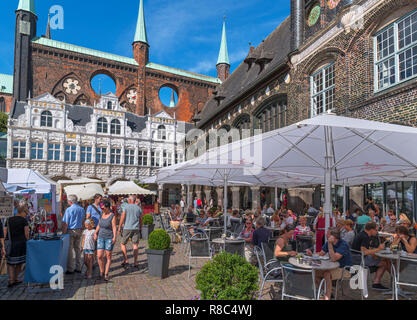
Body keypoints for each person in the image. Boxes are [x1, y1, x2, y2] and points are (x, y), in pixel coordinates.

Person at [307, 228, 352, 300]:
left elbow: (334, 258)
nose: (326, 235)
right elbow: (321, 254)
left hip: (344, 269)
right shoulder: (328, 242)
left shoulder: (343, 245)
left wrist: (330, 244)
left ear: (334, 236)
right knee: (315, 272)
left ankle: (327, 297)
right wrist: (312, 254)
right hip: (332, 267)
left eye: (328, 234)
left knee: (327, 273)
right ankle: (328, 292)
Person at [351, 222, 391, 290]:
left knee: (383, 259)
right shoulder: (365, 237)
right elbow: (364, 252)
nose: (377, 232)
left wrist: (373, 253)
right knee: (384, 263)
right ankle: (377, 283)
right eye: (376, 230)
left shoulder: (362, 234)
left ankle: (393, 277)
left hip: (354, 258)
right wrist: (378, 249)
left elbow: (365, 249)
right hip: (359, 260)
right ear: (371, 230)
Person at [3, 206, 29, 287]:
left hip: (11, 244)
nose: (26, 215)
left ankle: (11, 280)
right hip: (21, 244)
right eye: (26, 213)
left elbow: (4, 232)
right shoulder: (24, 221)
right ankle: (16, 278)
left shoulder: (9, 220)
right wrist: (28, 240)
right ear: (22, 212)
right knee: (19, 262)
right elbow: (26, 234)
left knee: (10, 263)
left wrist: (4, 244)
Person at [62, 194, 86, 275]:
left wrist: (63, 233)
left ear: (70, 201)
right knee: (77, 249)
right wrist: (81, 229)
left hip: (71, 230)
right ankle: (78, 267)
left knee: (70, 250)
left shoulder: (68, 210)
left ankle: (70, 268)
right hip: (79, 230)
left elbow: (65, 223)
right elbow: (83, 220)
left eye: (68, 201)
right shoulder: (81, 209)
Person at [94, 200, 117, 281]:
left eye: (103, 208)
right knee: (99, 256)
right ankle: (101, 271)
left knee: (108, 256)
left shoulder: (112, 216)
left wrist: (114, 237)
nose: (102, 209)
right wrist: (95, 233)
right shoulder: (101, 214)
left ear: (108, 207)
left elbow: (114, 227)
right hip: (100, 237)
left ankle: (106, 273)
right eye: (101, 208)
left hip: (109, 238)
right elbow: (99, 225)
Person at [118, 195, 142, 269]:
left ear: (131, 200)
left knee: (122, 243)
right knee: (135, 245)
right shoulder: (138, 208)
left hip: (127, 228)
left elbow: (123, 216)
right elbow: (141, 219)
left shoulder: (126, 207)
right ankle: (135, 262)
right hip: (136, 228)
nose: (128, 200)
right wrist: (140, 227)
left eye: (128, 199)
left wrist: (119, 226)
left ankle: (126, 260)